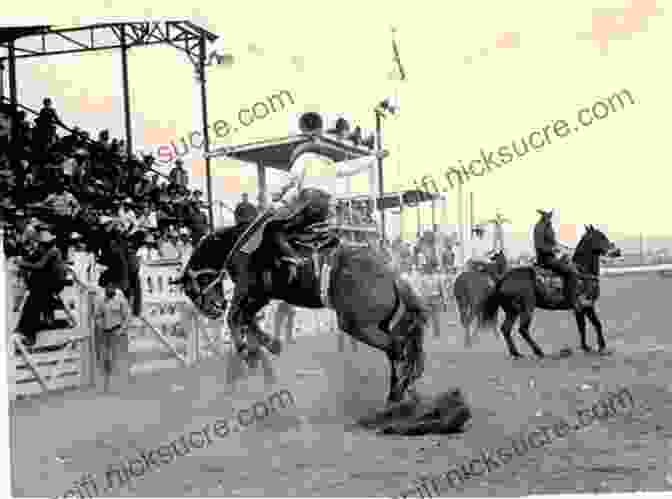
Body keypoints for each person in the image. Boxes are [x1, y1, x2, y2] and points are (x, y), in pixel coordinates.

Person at [14, 231, 68, 346]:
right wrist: (24, 260)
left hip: (55, 283)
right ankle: (24, 327)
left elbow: (39, 266)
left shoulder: (53, 251)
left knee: (35, 302)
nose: (41, 246)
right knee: (32, 300)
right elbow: (32, 259)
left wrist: (22, 263)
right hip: (46, 284)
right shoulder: (43, 250)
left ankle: (30, 333)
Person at [533, 209, 580, 310]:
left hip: (551, 256)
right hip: (545, 259)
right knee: (571, 272)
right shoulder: (539, 227)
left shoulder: (547, 225)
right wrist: (553, 249)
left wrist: (562, 248)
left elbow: (552, 242)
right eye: (549, 215)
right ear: (543, 215)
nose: (550, 216)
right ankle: (570, 300)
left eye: (550, 215)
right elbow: (539, 246)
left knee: (570, 263)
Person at [94, 283, 131, 393]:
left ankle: (118, 386)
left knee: (117, 358)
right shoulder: (101, 299)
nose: (109, 289)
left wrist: (121, 330)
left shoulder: (121, 300)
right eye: (107, 287)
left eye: (111, 287)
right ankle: (106, 385)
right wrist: (100, 325)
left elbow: (127, 316)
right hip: (105, 332)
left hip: (117, 331)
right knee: (105, 359)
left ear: (115, 288)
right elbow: (97, 315)